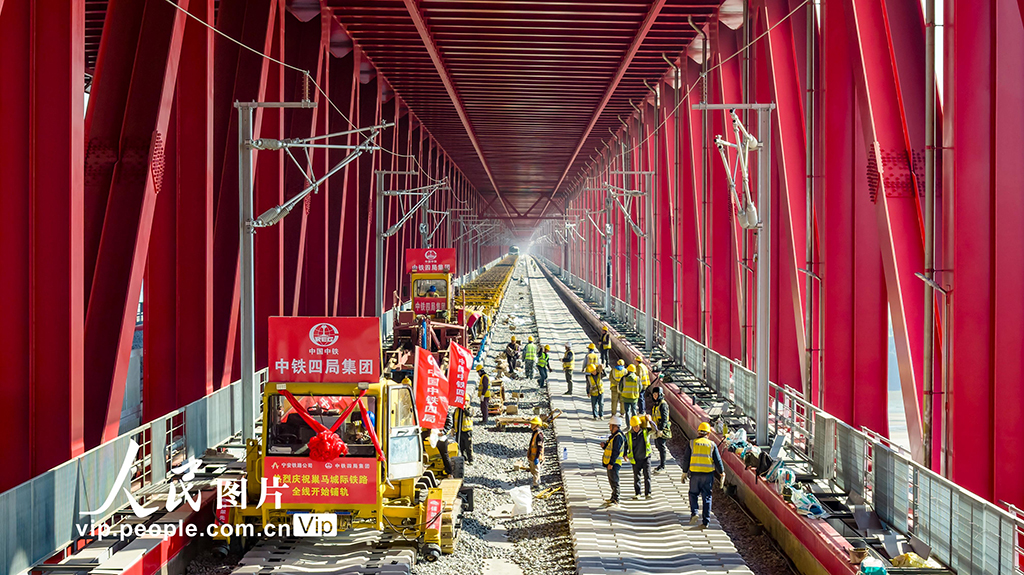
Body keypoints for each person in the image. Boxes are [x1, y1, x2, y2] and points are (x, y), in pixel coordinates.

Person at [681, 422, 725, 529]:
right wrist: (722, 472)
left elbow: (686, 458)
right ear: (708, 434)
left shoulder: (692, 443)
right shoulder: (712, 445)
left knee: (693, 494)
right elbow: (717, 460)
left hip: (695, 475)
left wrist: (684, 472)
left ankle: (695, 513)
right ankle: (706, 521)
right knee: (707, 497)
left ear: (698, 432)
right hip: (708, 476)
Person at [626, 415, 657, 500]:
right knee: (637, 477)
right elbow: (626, 445)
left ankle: (648, 493)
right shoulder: (628, 434)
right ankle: (638, 493)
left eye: (637, 426)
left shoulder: (645, 431)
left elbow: (655, 430)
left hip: (646, 457)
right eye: (634, 427)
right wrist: (624, 454)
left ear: (639, 425)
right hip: (635, 459)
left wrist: (650, 421)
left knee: (647, 475)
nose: (636, 428)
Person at [601, 416, 626, 506]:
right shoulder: (614, 436)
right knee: (611, 480)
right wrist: (604, 446)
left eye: (611, 425)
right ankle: (613, 497)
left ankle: (616, 498)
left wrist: (611, 463)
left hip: (614, 463)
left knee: (614, 480)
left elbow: (616, 451)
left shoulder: (618, 437)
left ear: (615, 426)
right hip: (611, 462)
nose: (609, 427)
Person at [650, 386, 671, 472]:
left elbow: (664, 418)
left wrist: (661, 429)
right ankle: (661, 464)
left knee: (661, 446)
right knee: (658, 445)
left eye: (656, 394)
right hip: (656, 429)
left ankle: (663, 465)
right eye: (654, 394)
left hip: (662, 430)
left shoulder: (663, 405)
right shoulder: (657, 404)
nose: (655, 396)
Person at [527, 416, 545, 488]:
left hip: (536, 456)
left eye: (533, 424)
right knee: (533, 471)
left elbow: (540, 447)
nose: (531, 425)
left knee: (536, 471)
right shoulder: (535, 433)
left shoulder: (539, 435)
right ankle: (537, 482)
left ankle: (536, 485)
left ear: (537, 425)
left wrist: (537, 457)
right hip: (532, 455)